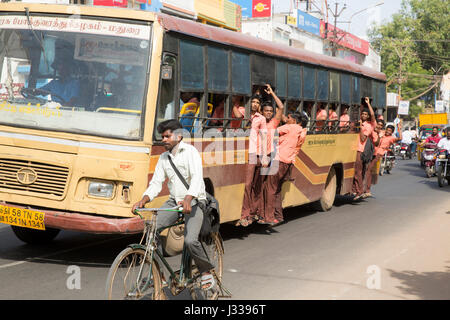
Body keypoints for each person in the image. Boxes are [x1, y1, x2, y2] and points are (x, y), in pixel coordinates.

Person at [131, 119, 216, 290]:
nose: (164, 140)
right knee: (151, 229)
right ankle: (160, 276)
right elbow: (156, 183)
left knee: (191, 240)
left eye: (167, 136)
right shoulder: (164, 157)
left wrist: (187, 199)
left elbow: (197, 179)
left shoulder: (190, 152)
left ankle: (206, 271)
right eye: (162, 137)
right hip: (174, 201)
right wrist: (144, 199)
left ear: (178, 136)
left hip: (193, 201)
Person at [261, 112, 307, 225]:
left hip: (279, 160)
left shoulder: (290, 127)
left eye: (289, 118)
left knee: (270, 188)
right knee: (277, 189)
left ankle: (269, 217)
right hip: (288, 163)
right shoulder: (302, 131)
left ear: (295, 121)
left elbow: (272, 132)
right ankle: (278, 216)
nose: (286, 119)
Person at [237, 94, 269, 227]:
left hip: (256, 154)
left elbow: (263, 137)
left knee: (256, 186)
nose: (254, 104)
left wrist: (264, 156)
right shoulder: (244, 113)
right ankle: (245, 214)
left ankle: (253, 213)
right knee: (248, 185)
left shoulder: (261, 118)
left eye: (257, 102)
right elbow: (237, 115)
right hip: (247, 153)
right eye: (253, 102)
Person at [352, 97, 376, 200]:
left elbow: (362, 138)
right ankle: (357, 190)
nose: (364, 115)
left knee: (358, 172)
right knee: (357, 172)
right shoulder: (359, 122)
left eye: (366, 114)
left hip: (360, 150)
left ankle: (359, 191)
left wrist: (368, 104)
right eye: (363, 114)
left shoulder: (369, 125)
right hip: (353, 148)